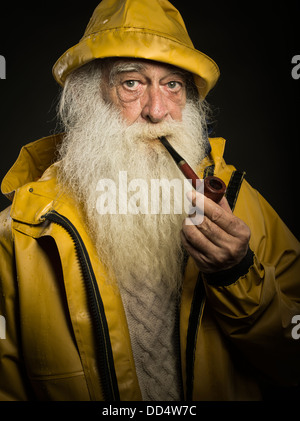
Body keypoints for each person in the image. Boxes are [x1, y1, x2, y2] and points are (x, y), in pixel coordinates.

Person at [0, 0, 299, 401]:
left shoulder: (238, 205)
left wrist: (237, 274)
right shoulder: (21, 232)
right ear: (91, 96)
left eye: (172, 84)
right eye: (132, 83)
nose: (157, 112)